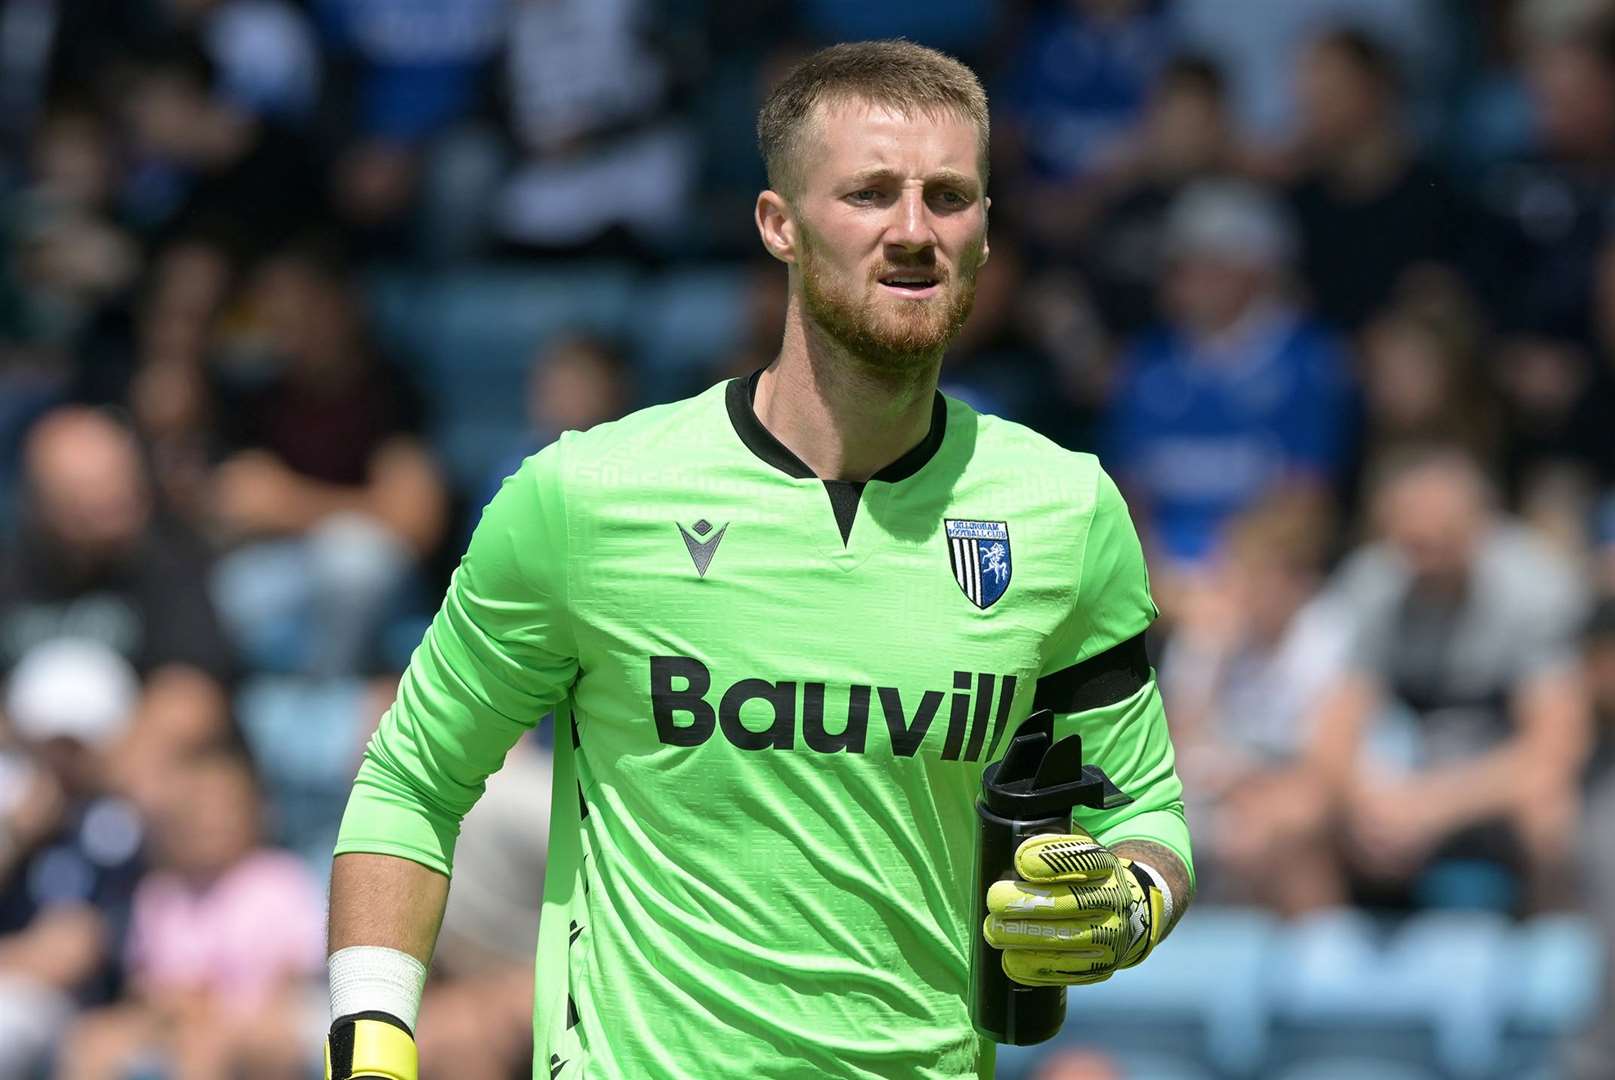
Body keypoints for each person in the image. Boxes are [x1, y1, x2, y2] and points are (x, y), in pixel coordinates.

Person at [323, 41, 1193, 1080]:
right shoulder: (585, 497)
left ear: (986, 233)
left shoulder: (1063, 510)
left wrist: (1124, 908)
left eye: (949, 197)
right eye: (870, 193)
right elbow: (410, 777)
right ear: (778, 225)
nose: (913, 230)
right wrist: (371, 1039)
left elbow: (1145, 816)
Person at [1312, 448, 1590, 912]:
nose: (1428, 559)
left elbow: (1557, 745)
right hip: (1397, 787)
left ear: (1480, 528)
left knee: (1551, 815)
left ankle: (1554, 964)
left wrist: (1433, 806)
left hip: (1490, 786)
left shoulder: (1536, 587)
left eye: (1442, 540)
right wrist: (1369, 800)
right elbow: (1333, 732)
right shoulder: (1371, 584)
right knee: (1289, 817)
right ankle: (1324, 968)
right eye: (1413, 544)